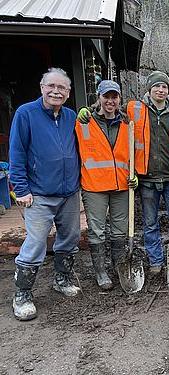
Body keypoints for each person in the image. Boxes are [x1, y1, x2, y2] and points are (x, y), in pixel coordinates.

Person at [9, 68, 81, 320]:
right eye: (51, 86)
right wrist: (21, 188)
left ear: (69, 93)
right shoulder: (26, 114)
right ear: (41, 87)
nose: (56, 91)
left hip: (69, 192)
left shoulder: (71, 116)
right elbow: (16, 153)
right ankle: (23, 294)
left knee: (70, 238)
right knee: (36, 242)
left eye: (62, 88)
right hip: (38, 193)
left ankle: (61, 279)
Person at [126, 71, 169, 274]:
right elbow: (110, 116)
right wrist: (90, 110)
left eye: (164, 87)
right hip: (146, 177)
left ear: (168, 90)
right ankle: (156, 260)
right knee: (150, 222)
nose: (160, 90)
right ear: (149, 88)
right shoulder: (134, 109)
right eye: (157, 86)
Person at [75, 80, 134, 290]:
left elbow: (131, 155)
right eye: (106, 96)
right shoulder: (84, 121)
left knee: (119, 230)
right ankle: (101, 272)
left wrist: (133, 175)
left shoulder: (127, 123)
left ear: (119, 99)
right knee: (97, 231)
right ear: (98, 97)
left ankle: (119, 266)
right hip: (94, 185)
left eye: (114, 97)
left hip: (121, 185)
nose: (110, 101)